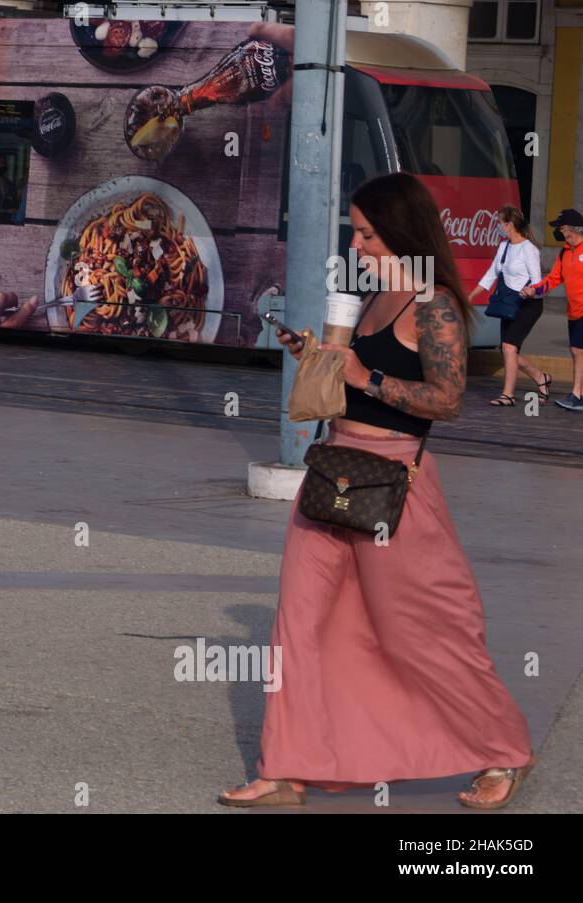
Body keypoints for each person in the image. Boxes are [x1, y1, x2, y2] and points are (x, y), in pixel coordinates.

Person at [218, 172, 535, 809]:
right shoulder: (373, 298)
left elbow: (446, 402)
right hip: (333, 471)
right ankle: (285, 767)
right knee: (298, 623)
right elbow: (354, 376)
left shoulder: (433, 304)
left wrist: (366, 375)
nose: (357, 244)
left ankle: (504, 751)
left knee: (424, 629)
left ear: (400, 232)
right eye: (357, 231)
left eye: (366, 233)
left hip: (396, 484)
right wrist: (317, 353)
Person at [468, 206, 547, 405]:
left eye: (499, 223)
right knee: (508, 351)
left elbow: (538, 282)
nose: (498, 227)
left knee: (509, 348)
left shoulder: (529, 249)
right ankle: (540, 377)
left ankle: (508, 395)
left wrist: (529, 290)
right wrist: (469, 297)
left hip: (527, 305)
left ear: (509, 225)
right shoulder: (504, 246)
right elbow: (490, 275)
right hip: (507, 304)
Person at [521, 208, 583, 411]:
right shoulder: (564, 252)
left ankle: (576, 394)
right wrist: (534, 289)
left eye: (560, 227)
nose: (558, 231)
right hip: (573, 311)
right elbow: (553, 279)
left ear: (569, 229)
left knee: (577, 350)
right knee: (576, 351)